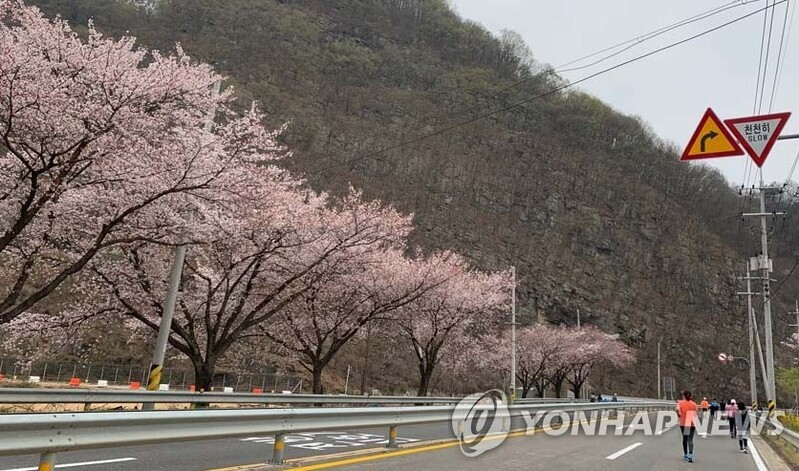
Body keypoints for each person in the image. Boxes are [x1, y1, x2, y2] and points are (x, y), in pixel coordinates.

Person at [676, 389, 698, 462]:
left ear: (684, 396)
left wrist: (679, 415)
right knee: (690, 439)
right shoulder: (694, 404)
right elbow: (695, 413)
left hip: (684, 422)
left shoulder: (680, 403)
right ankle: (690, 455)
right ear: (691, 396)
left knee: (685, 438)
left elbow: (677, 410)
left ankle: (685, 454)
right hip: (691, 422)